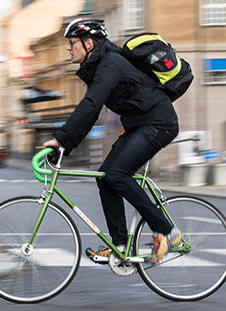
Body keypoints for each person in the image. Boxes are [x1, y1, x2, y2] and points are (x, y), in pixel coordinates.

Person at [42, 18, 182, 264]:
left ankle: (167, 233)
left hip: (159, 124)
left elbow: (90, 105)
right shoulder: (102, 66)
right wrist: (64, 145)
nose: (68, 48)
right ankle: (119, 246)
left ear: (88, 43)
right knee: (106, 178)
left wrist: (60, 140)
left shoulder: (111, 63)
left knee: (117, 174)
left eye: (72, 42)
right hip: (140, 126)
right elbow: (91, 111)